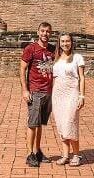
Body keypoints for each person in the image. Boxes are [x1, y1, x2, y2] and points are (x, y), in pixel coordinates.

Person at [20, 22, 56, 167]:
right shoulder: (31, 48)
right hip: (35, 91)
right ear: (38, 32)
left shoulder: (53, 49)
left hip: (48, 91)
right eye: (42, 31)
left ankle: (38, 151)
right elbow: (22, 69)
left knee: (40, 123)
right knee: (33, 124)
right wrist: (25, 90)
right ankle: (30, 154)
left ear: (50, 33)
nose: (45, 34)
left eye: (48, 31)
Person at [51, 33, 86, 166]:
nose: (65, 44)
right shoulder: (57, 59)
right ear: (59, 43)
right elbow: (54, 78)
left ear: (72, 43)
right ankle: (65, 155)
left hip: (72, 94)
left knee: (70, 123)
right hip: (58, 95)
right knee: (61, 124)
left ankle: (76, 155)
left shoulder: (77, 58)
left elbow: (82, 77)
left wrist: (82, 96)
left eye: (67, 41)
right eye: (63, 41)